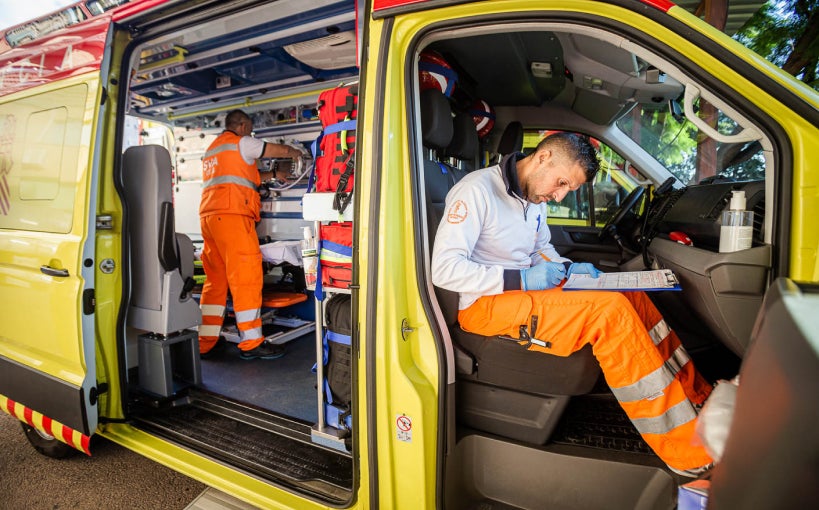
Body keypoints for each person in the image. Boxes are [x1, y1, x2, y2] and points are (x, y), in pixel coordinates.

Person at [431, 132, 714, 477]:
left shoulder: (533, 197)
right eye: (562, 182)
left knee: (630, 295)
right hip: (485, 305)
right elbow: (444, 270)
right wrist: (520, 279)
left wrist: (566, 268)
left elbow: (539, 250)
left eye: (569, 189)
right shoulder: (476, 191)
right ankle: (687, 454)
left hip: (522, 293)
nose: (559, 194)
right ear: (543, 156)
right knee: (609, 313)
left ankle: (697, 393)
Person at [198, 109, 305, 360]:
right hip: (233, 217)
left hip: (210, 219)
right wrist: (294, 153)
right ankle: (252, 342)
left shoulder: (213, 150)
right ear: (243, 125)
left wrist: (274, 176)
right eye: (251, 129)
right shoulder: (242, 142)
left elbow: (246, 178)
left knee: (216, 281)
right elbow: (271, 150)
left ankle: (205, 341)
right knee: (245, 276)